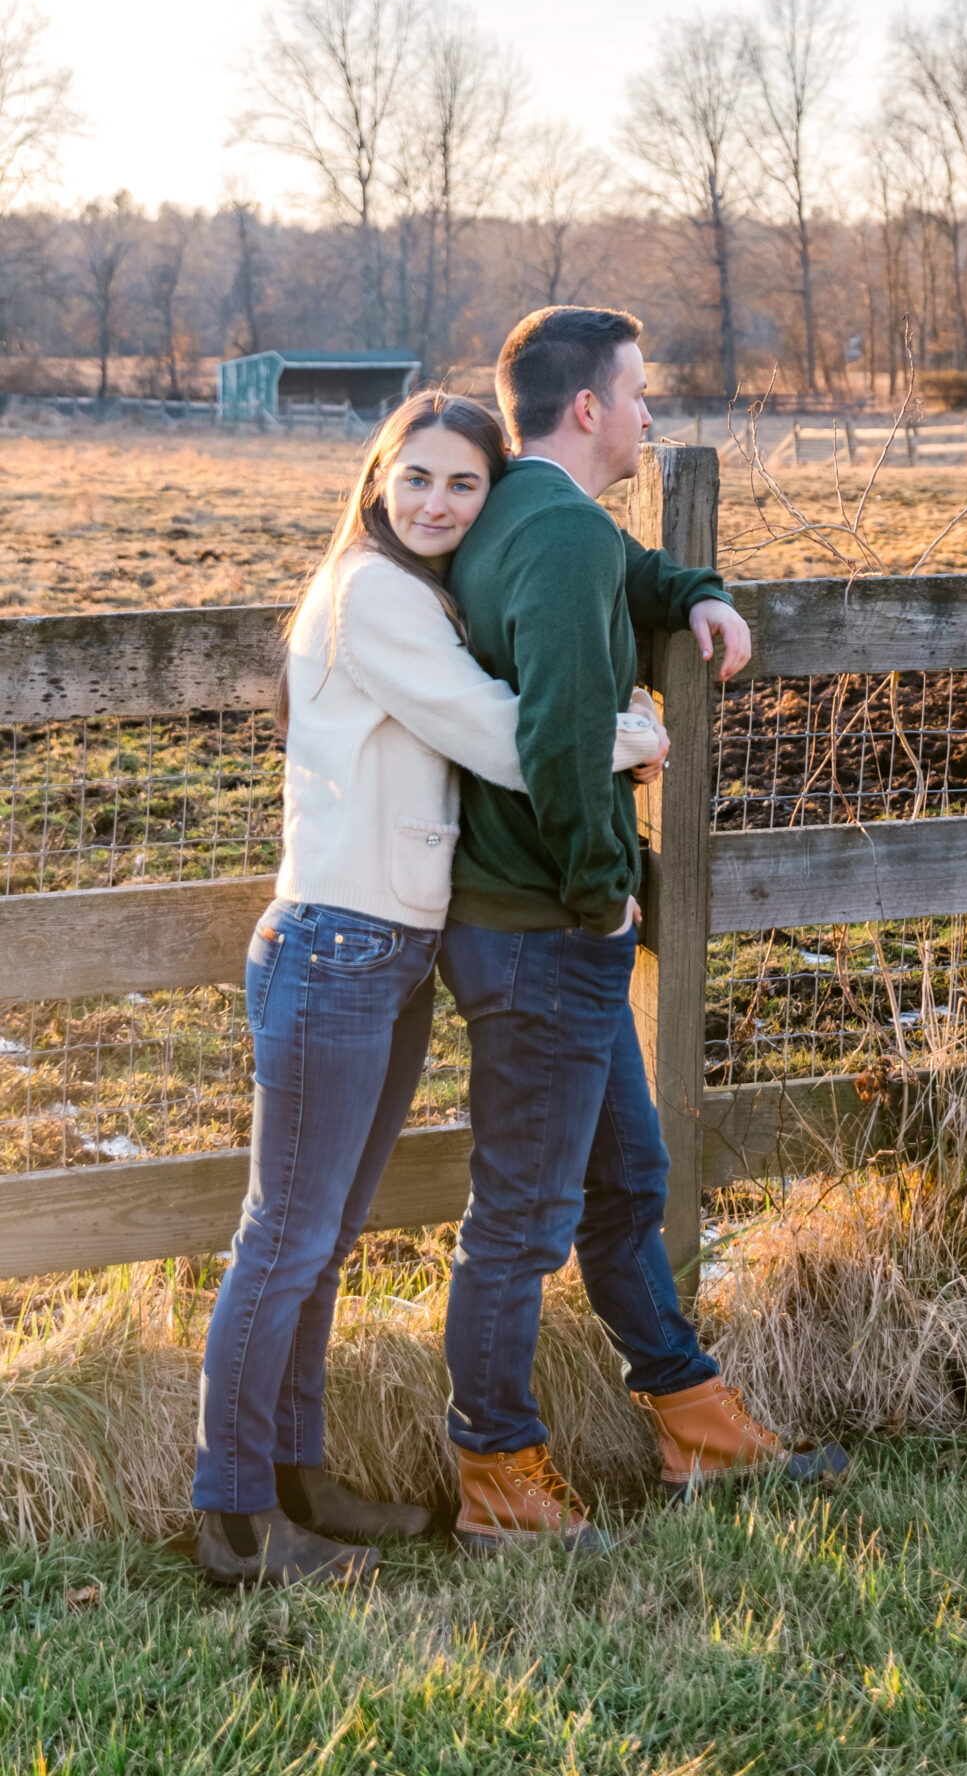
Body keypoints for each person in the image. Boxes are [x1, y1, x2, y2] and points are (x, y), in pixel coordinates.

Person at [440, 305, 845, 1550]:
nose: (650, 413)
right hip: (547, 923)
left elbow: (625, 576)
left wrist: (699, 592)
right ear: (585, 410)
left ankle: (697, 1426)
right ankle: (498, 1477)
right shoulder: (557, 534)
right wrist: (598, 891)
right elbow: (563, 741)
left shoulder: (531, 511)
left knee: (629, 1182)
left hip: (540, 922)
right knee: (521, 1218)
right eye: (637, 391)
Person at [192, 391, 531, 1588]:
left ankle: (302, 1477)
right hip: (337, 946)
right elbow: (497, 735)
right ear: (379, 474)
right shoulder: (374, 591)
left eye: (464, 485)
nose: (436, 502)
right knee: (284, 1237)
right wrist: (631, 737)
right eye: (418, 477)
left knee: (320, 1240)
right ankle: (234, 1514)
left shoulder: (414, 592)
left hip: (384, 949)